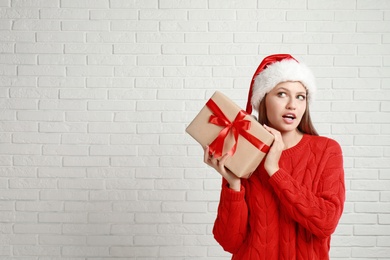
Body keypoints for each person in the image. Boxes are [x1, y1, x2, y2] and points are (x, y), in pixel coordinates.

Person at [204, 54, 345, 260]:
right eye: (281, 94)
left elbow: (326, 223)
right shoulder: (244, 151)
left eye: (300, 96)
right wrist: (233, 184)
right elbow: (229, 241)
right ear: (263, 100)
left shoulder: (327, 150)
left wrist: (274, 170)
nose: (292, 105)